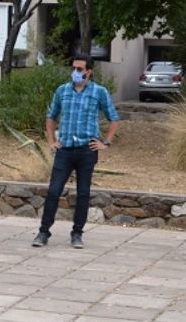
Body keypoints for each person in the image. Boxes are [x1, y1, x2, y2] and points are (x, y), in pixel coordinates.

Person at [31, 53, 120, 249]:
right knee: (54, 191)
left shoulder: (99, 92)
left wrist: (106, 143)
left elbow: (114, 117)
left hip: (87, 150)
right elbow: (51, 116)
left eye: (79, 69)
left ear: (89, 71)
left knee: (83, 193)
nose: (75, 72)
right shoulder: (62, 91)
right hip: (64, 150)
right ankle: (43, 232)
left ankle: (77, 233)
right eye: (73, 68)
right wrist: (51, 141)